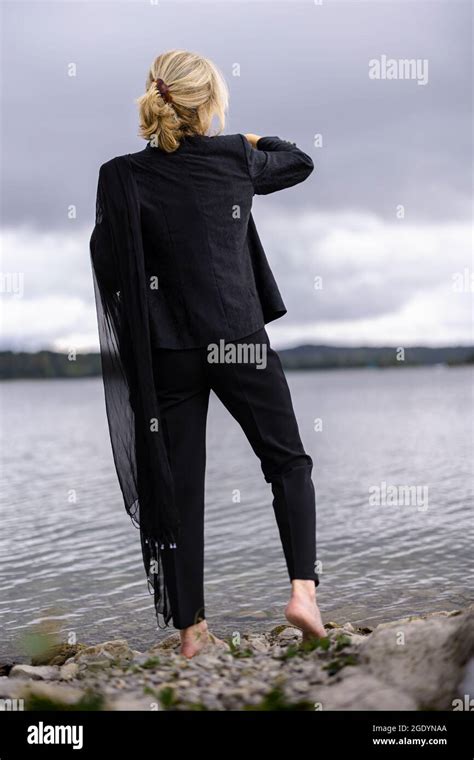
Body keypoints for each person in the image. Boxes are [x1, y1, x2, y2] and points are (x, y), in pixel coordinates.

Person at [90, 49, 325, 659]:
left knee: (180, 488)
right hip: (239, 340)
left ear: (157, 97)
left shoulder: (122, 176)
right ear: (207, 102)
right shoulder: (236, 157)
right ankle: (303, 593)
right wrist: (251, 137)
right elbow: (299, 161)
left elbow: (109, 261)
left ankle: (192, 631)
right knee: (288, 463)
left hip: (169, 351)